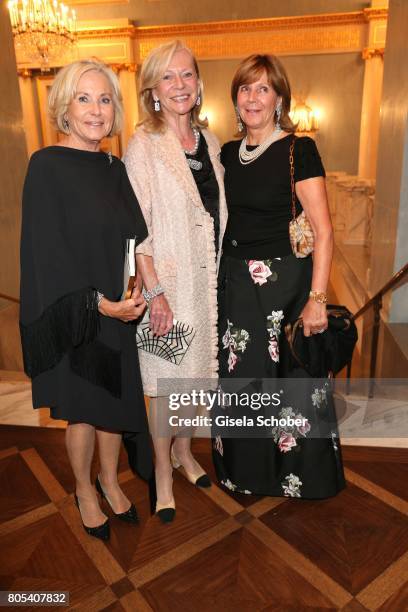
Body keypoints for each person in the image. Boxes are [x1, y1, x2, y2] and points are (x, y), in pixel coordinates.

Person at [20, 59, 153, 541]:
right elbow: (48, 255)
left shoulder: (113, 168)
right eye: (84, 98)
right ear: (64, 107)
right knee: (83, 410)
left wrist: (135, 288)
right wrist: (101, 304)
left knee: (113, 408)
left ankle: (110, 481)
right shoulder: (46, 166)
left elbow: (133, 237)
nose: (96, 111)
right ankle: (84, 489)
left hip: (119, 308)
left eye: (104, 100)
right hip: (77, 311)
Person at [213, 54, 345, 499]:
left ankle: (298, 477)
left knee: (290, 385)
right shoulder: (227, 153)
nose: (253, 97)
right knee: (244, 381)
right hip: (235, 284)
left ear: (279, 100)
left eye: (263, 89)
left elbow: (324, 231)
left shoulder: (298, 149)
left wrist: (318, 298)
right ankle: (246, 474)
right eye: (246, 88)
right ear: (235, 98)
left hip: (284, 286)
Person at [124, 40, 227, 522]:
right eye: (168, 77)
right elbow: (135, 225)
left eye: (187, 75)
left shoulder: (211, 142)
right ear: (153, 91)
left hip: (207, 287)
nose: (180, 84)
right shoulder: (144, 144)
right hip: (166, 286)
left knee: (197, 380)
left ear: (199, 83)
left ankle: (186, 453)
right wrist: (154, 291)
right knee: (167, 384)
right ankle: (162, 472)